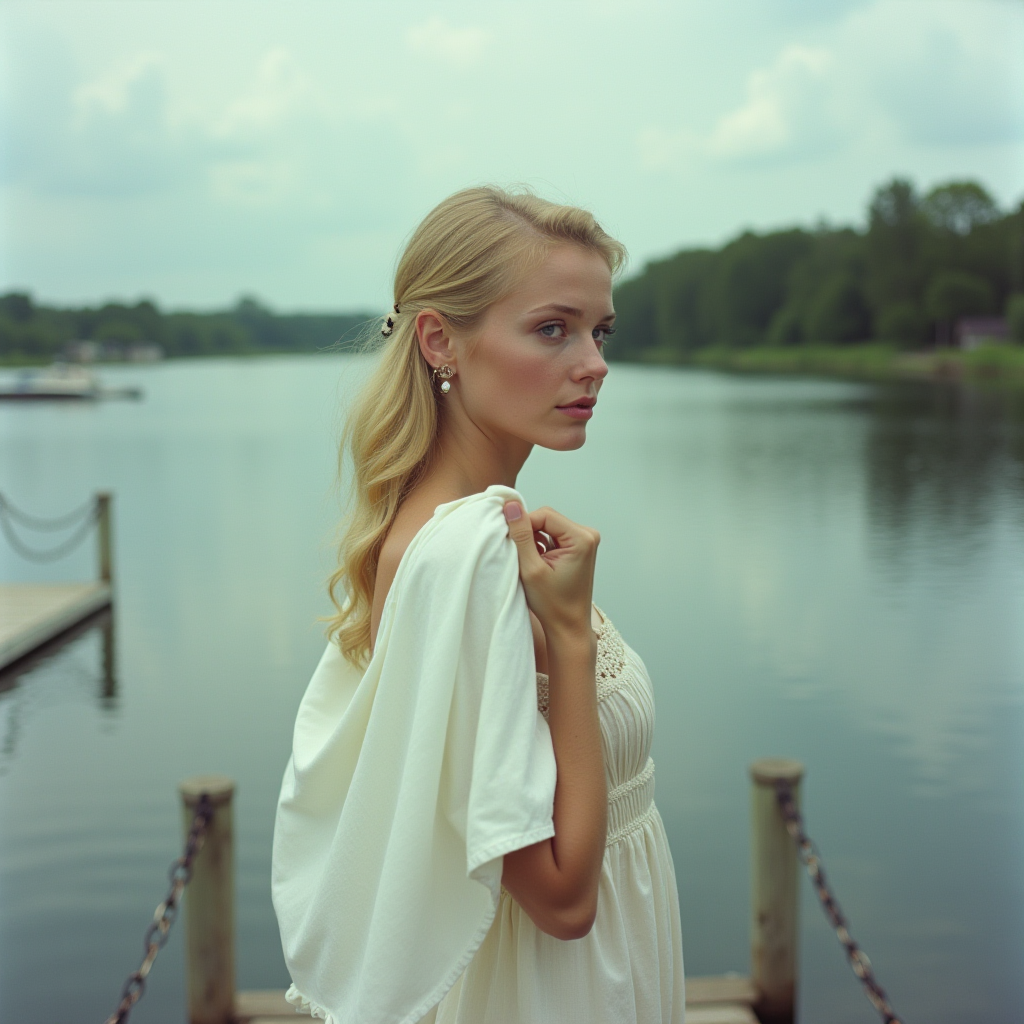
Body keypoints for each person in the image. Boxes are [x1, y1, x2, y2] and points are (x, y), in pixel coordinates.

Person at [271, 186, 685, 1024]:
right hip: (547, 992)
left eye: (599, 332)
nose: (594, 362)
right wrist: (569, 633)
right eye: (552, 328)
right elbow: (563, 900)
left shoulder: (472, 532)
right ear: (439, 340)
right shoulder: (463, 560)